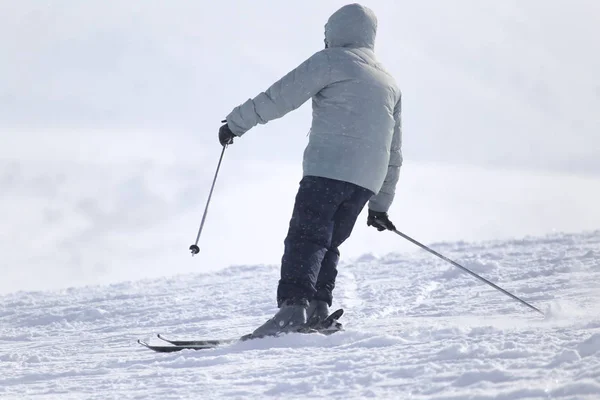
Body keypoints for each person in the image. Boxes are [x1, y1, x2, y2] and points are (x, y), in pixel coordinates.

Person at [218, 3, 402, 337]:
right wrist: (380, 206)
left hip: (329, 167)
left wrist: (235, 124)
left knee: (307, 235)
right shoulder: (389, 82)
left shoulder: (330, 61)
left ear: (334, 32)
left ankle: (292, 309)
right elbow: (394, 151)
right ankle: (319, 308)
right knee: (328, 242)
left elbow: (280, 96)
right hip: (365, 181)